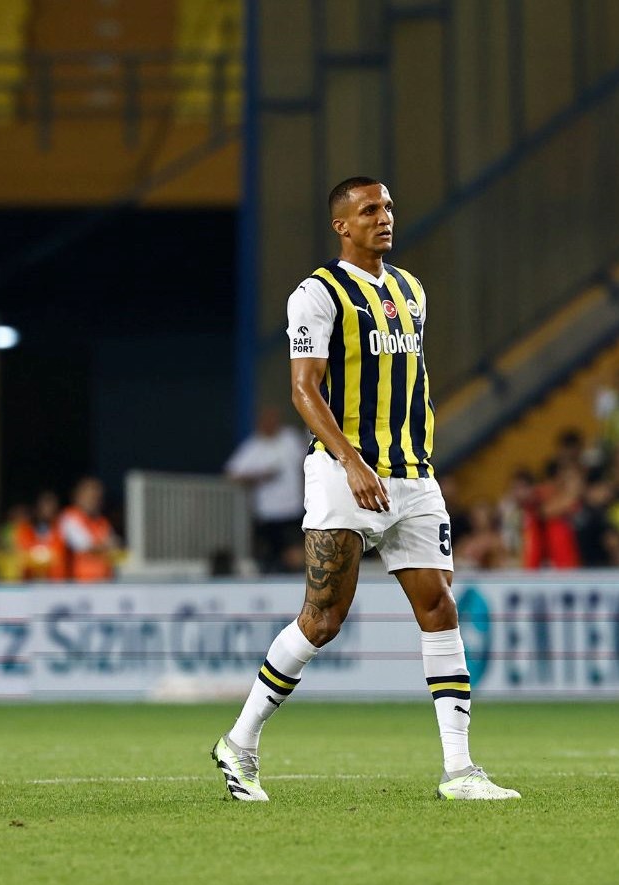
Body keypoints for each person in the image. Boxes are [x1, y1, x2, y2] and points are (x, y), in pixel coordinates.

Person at [211, 176, 519, 802]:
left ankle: (460, 770)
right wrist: (351, 461)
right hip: (342, 472)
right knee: (323, 619)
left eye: (388, 207)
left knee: (440, 607)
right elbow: (304, 389)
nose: (384, 217)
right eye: (370, 209)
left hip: (413, 474)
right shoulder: (317, 294)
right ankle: (240, 742)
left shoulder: (412, 291)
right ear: (342, 225)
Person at [224, 405, 307, 573]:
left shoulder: (290, 439)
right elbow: (231, 474)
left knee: (296, 557)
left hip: (293, 510)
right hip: (267, 514)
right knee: (268, 560)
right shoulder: (253, 446)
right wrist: (260, 476)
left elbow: (308, 461)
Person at [58, 477, 118, 582]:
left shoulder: (102, 522)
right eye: (91, 497)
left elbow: (114, 545)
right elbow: (83, 545)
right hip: (78, 584)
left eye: (97, 498)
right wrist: (105, 546)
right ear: (78, 496)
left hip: (104, 582)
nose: (94, 501)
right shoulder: (70, 517)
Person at [14, 492, 67, 581]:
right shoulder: (25, 530)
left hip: (55, 583)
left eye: (52, 505)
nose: (49, 509)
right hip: (29, 582)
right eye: (45, 505)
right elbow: (23, 555)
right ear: (36, 507)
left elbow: (59, 556)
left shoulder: (61, 529)